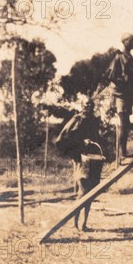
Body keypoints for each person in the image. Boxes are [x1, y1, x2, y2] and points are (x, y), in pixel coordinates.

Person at [55, 97, 104, 231]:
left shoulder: (94, 120)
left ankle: (83, 224)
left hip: (93, 160)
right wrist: (81, 143)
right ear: (82, 105)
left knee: (91, 192)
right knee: (83, 192)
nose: (88, 106)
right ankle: (75, 223)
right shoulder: (77, 119)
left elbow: (97, 139)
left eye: (91, 104)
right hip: (81, 160)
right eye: (86, 104)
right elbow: (65, 137)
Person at [94, 33, 133, 163]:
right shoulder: (119, 57)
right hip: (120, 96)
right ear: (125, 42)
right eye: (131, 40)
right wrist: (125, 85)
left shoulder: (130, 58)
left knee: (125, 124)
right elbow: (112, 77)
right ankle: (122, 155)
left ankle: (123, 153)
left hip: (127, 96)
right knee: (123, 124)